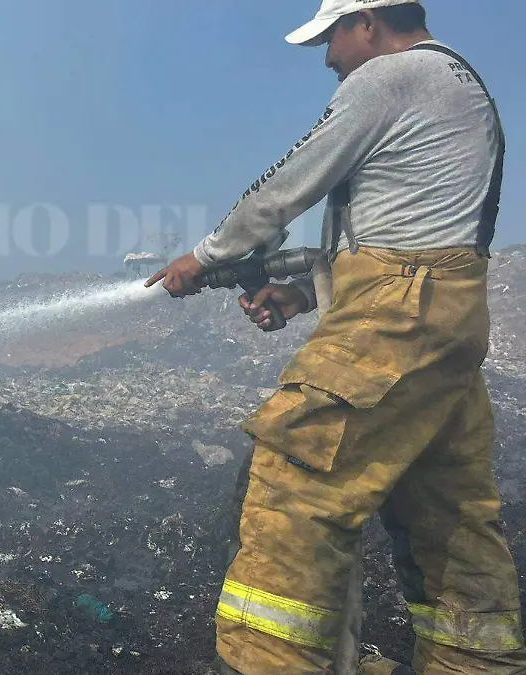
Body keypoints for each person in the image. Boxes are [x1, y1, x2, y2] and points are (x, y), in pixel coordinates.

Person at [144, 1, 522, 673]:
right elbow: (415, 239)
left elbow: (284, 189)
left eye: (333, 37)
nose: (328, 58)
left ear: (369, 21)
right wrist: (302, 295)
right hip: (444, 321)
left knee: (296, 479)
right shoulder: (465, 88)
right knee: (449, 518)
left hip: (400, 317)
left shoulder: (388, 77)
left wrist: (201, 258)